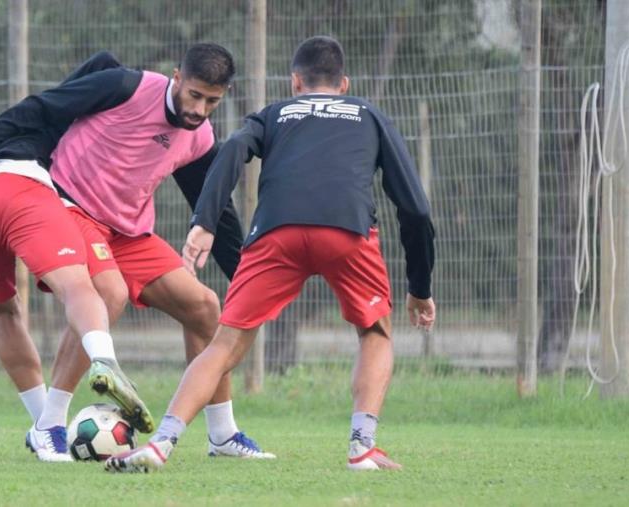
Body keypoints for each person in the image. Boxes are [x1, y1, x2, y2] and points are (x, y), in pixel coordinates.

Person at [0, 45, 273, 460]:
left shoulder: (199, 136)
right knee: (107, 294)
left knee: (204, 307)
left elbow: (217, 210)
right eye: (194, 95)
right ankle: (49, 423)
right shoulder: (124, 87)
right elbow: (42, 107)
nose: (199, 109)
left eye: (212, 101)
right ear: (177, 78)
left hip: (128, 231)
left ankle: (222, 434)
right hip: (71, 208)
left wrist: (245, 276)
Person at [105, 36, 436, 473]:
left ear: (295, 81)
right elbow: (415, 209)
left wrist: (204, 221)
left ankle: (161, 443)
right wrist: (419, 288)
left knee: (224, 344)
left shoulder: (275, 113)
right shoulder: (368, 114)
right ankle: (362, 447)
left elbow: (231, 151)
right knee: (375, 332)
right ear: (344, 84)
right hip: (347, 230)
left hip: (276, 233)